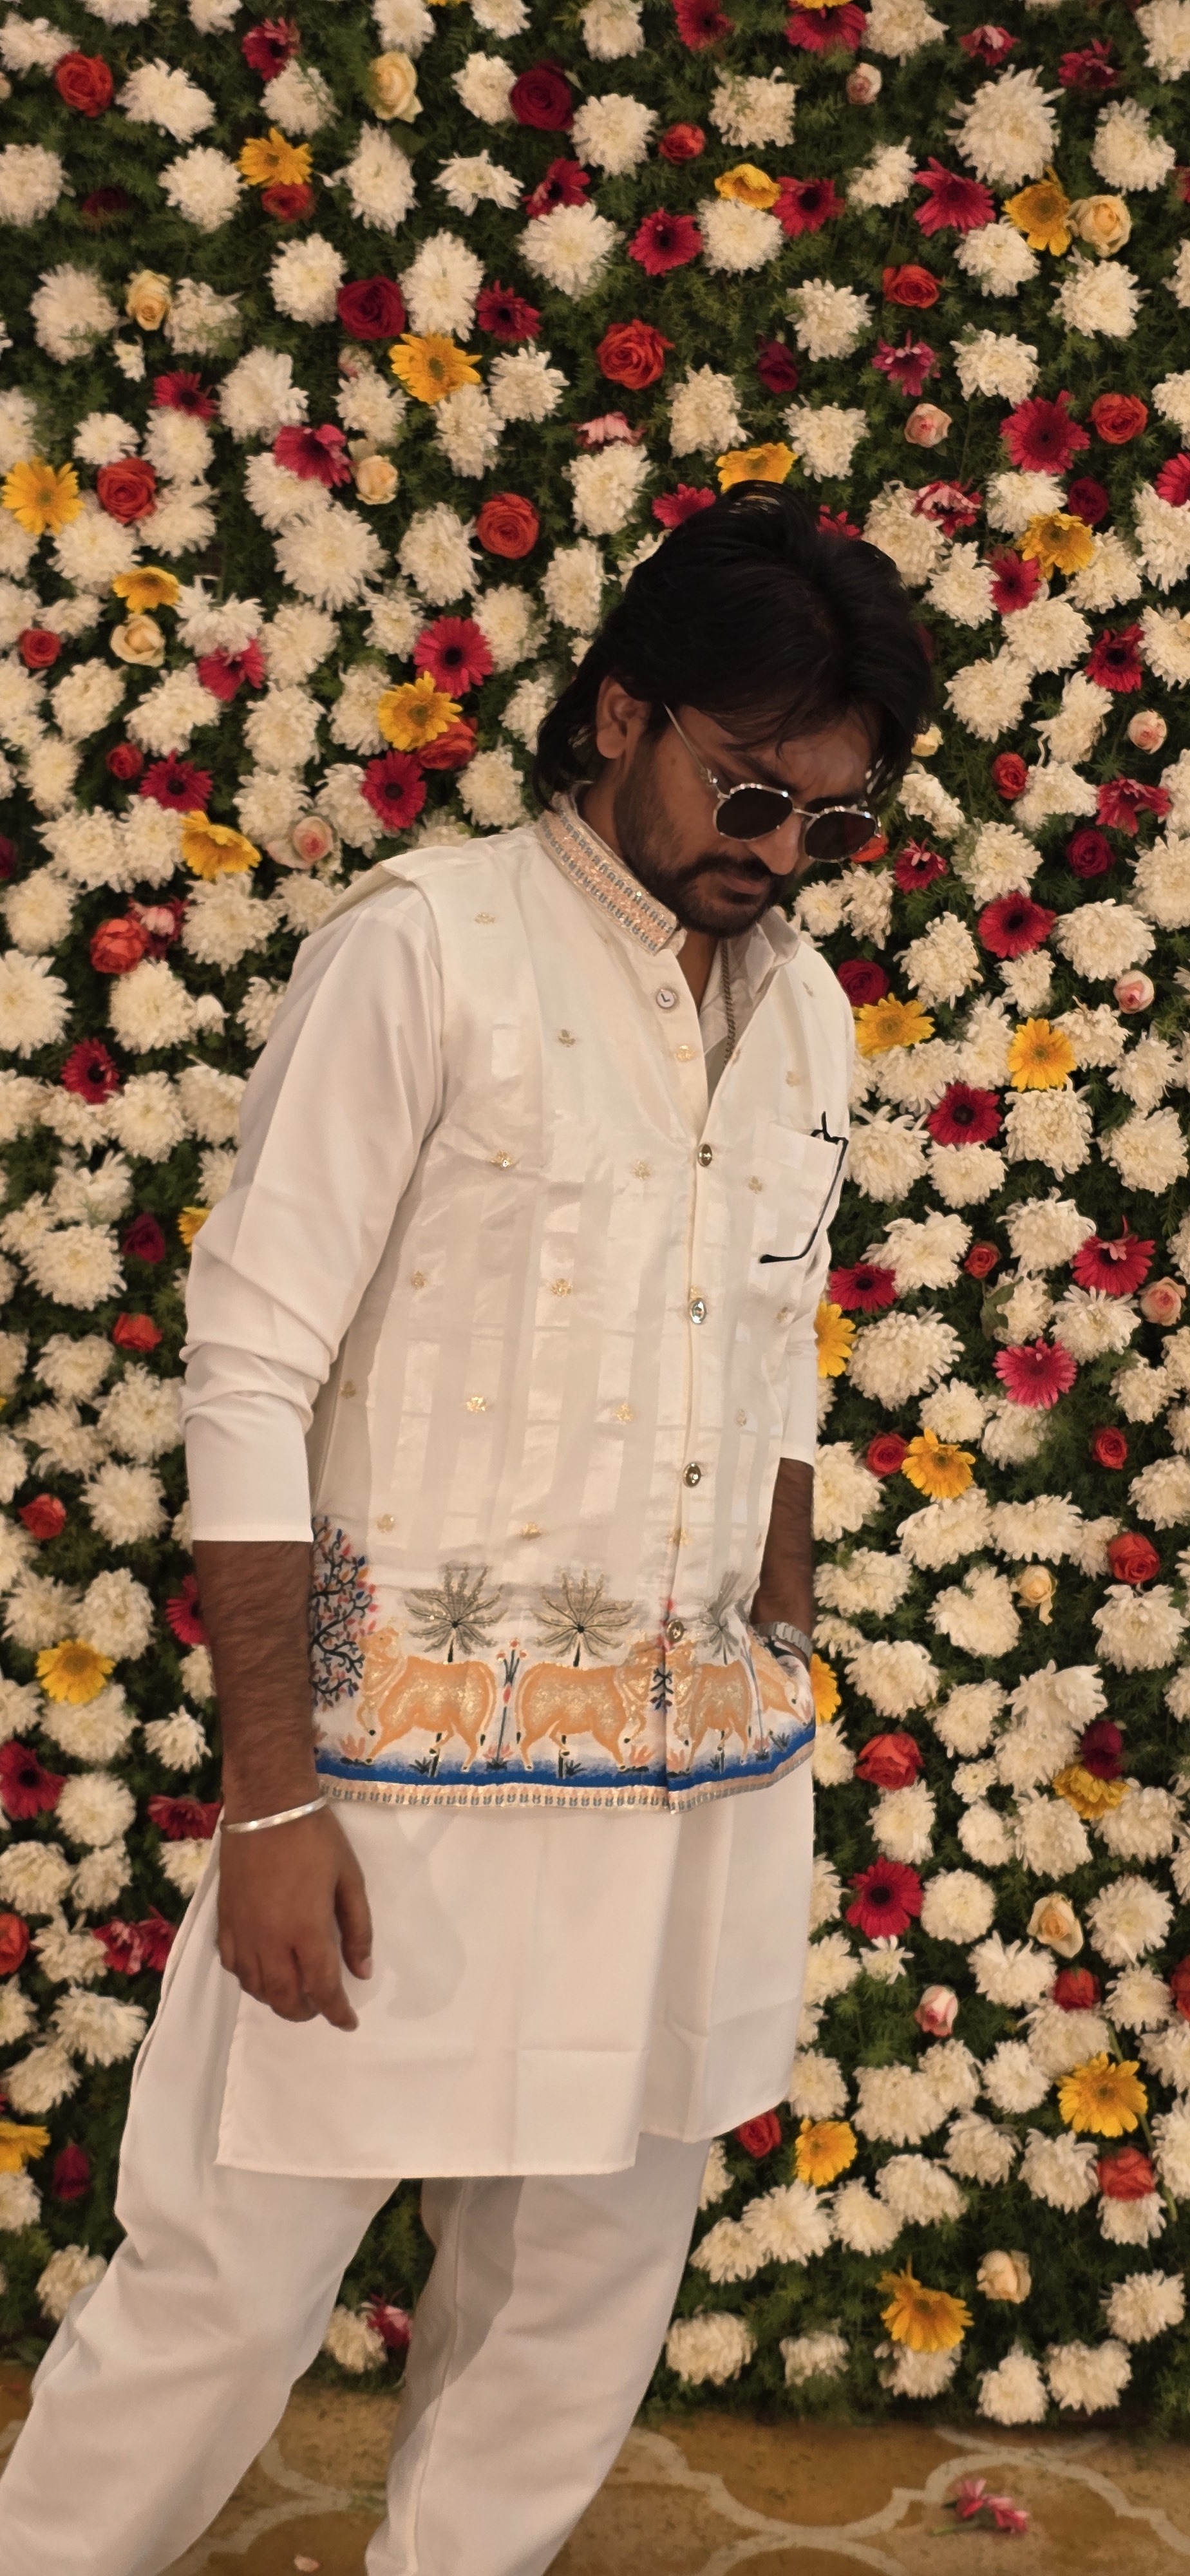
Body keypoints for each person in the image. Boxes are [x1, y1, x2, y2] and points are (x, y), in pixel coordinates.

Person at [0, 483, 930, 2576]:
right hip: (389, 1801)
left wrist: (778, 1655)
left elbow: (774, 1344)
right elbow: (250, 1370)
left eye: (833, 822)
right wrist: (272, 1798)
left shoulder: (802, 1010)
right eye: (750, 791)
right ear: (620, 711)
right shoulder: (425, 951)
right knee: (223, 2292)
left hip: (691, 1793)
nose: (780, 852)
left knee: (573, 2314)